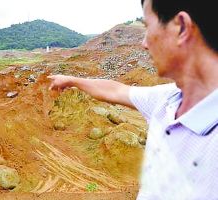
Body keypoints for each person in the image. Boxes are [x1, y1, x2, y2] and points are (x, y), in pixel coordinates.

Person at [48, 0, 218, 199]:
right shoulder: (167, 99)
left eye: (147, 27)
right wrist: (70, 80)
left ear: (181, 28)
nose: (144, 44)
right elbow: (117, 90)